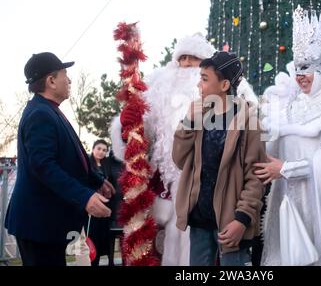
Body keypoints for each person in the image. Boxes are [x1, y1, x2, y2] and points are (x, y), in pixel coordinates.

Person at [111, 33, 257, 265]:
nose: (187, 65)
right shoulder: (159, 87)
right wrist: (126, 126)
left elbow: (252, 167)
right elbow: (143, 138)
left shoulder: (240, 106)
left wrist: (242, 214)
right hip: (171, 195)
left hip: (224, 206)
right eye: (182, 59)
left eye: (194, 59)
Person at [256, 7, 321, 265]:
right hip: (286, 196)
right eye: (298, 67)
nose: (300, 75)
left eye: (308, 68)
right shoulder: (292, 103)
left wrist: (287, 168)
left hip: (318, 198)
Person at [4, 52, 114, 266]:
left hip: (47, 223)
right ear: (51, 80)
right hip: (38, 224)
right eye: (65, 74)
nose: (69, 80)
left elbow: (70, 160)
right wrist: (85, 197)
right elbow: (44, 167)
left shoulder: (48, 110)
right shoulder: (40, 114)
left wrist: (97, 181)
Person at [172, 51, 265, 266]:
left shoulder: (249, 122)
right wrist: (187, 122)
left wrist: (242, 219)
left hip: (231, 223)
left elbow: (256, 176)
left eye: (205, 79)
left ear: (224, 85)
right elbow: (179, 159)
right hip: (200, 220)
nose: (199, 85)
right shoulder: (199, 117)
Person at [88, 139, 115, 266]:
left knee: (101, 239)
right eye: (99, 148)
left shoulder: (106, 166)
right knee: (91, 239)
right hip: (91, 206)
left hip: (105, 205)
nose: (101, 152)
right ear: (93, 148)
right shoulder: (87, 164)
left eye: (104, 150)